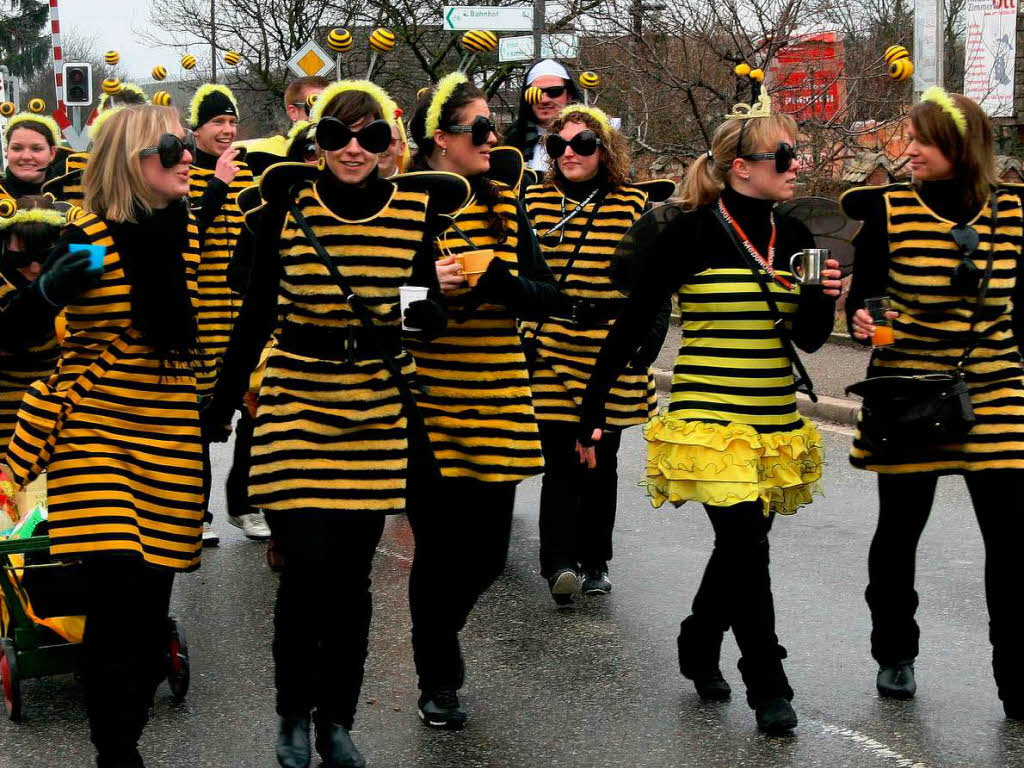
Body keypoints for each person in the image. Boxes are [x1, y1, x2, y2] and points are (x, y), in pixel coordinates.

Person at [200, 79, 462, 768]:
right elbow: (253, 315)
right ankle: (292, 713)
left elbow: (415, 309)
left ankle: (336, 720)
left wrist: (430, 311)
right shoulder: (281, 212)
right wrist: (223, 405)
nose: (354, 149)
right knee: (306, 571)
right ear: (316, 144)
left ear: (387, 146)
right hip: (295, 401)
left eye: (371, 137)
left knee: (350, 583)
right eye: (339, 136)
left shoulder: (415, 214)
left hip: (374, 406)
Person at [576, 92, 841, 734]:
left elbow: (808, 339)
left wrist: (822, 296)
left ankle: (699, 634)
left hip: (773, 417)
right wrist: (594, 409)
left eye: (796, 152)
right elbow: (633, 321)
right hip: (708, 416)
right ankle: (767, 681)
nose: (795, 163)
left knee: (744, 546)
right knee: (745, 542)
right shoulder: (689, 231)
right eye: (784, 153)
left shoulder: (796, 233)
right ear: (740, 167)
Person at [5, 104, 204, 768]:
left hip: (169, 433)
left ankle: (125, 723)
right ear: (132, 158)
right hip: (93, 432)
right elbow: (13, 333)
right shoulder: (81, 235)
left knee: (146, 628)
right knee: (117, 592)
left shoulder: (189, 233)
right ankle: (116, 753)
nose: (187, 156)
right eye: (173, 146)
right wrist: (46, 293)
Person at [843, 87, 1024, 719]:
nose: (908, 150)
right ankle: (895, 651)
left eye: (920, 140)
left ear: (958, 147)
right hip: (908, 387)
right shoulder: (889, 212)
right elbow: (864, 299)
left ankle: (1017, 676)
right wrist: (869, 319)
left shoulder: (1012, 215)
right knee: (900, 528)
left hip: (993, 385)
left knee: (1011, 539)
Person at [405, 72, 561, 729]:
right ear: (443, 139)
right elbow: (395, 312)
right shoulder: (404, 204)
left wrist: (498, 282)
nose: (494, 138)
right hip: (430, 401)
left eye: (494, 127)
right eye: (479, 129)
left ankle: (439, 631)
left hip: (497, 394)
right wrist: (432, 289)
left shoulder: (505, 202)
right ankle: (437, 676)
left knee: (489, 556)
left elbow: (546, 295)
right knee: (439, 549)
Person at [521, 104, 670, 603]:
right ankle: (558, 562)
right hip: (551, 348)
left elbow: (655, 283)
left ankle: (595, 560)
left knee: (600, 462)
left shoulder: (633, 204)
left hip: (612, 349)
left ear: (604, 150)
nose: (569, 153)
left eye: (582, 144)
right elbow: (519, 274)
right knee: (561, 460)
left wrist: (644, 347)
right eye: (558, 145)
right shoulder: (533, 201)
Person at [186, 83, 267, 544]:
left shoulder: (248, 177)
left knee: (253, 415)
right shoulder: (187, 174)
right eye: (217, 122)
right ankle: (195, 513)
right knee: (199, 421)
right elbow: (188, 228)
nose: (226, 130)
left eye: (231, 122)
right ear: (197, 129)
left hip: (244, 320)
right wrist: (216, 183)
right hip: (203, 318)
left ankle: (244, 504)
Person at [0, 196, 79, 449]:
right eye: (22, 256)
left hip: (62, 434)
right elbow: (13, 331)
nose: (34, 268)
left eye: (44, 256)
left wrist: (84, 228)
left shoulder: (74, 292)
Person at [240, 75, 330, 176]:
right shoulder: (262, 153)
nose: (323, 116)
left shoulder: (341, 150)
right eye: (315, 108)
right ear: (293, 112)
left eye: (331, 107)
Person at [504, 59, 579, 173]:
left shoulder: (587, 138)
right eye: (535, 93)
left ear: (569, 95)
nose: (544, 100)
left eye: (554, 91)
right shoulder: (510, 141)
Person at [1, 111, 61, 199]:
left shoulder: (75, 194)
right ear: (7, 152)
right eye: (17, 148)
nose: (26, 157)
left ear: (52, 153)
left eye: (36, 149)